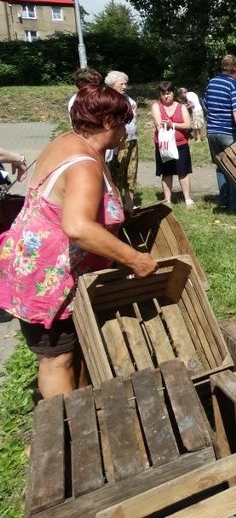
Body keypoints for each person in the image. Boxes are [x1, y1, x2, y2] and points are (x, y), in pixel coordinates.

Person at [0, 84, 157, 398]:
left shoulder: (72, 143)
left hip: (53, 271)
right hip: (51, 278)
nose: (127, 130)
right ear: (109, 123)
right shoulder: (83, 164)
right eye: (124, 122)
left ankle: (84, 407)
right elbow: (78, 227)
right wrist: (135, 259)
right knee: (58, 357)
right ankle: (64, 432)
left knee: (75, 349)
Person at [206, 55, 236, 213]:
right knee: (235, 168)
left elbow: (206, 104)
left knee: (221, 167)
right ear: (235, 68)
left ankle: (223, 202)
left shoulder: (211, 82)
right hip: (228, 132)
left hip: (212, 131)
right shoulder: (234, 84)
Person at [152, 81, 194, 206]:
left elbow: (188, 125)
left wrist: (172, 125)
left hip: (180, 143)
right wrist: (168, 126)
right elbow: (159, 124)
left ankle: (187, 198)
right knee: (166, 172)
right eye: (163, 93)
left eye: (168, 93)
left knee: (183, 171)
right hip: (164, 145)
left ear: (173, 93)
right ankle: (167, 199)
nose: (166, 96)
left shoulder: (181, 107)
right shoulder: (156, 106)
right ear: (160, 94)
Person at [104, 71, 138, 213]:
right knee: (116, 172)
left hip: (132, 139)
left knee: (131, 171)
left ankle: (130, 202)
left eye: (125, 84)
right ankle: (115, 204)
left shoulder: (128, 99)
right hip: (116, 142)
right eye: (121, 84)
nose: (124, 86)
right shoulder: (108, 100)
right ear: (112, 85)